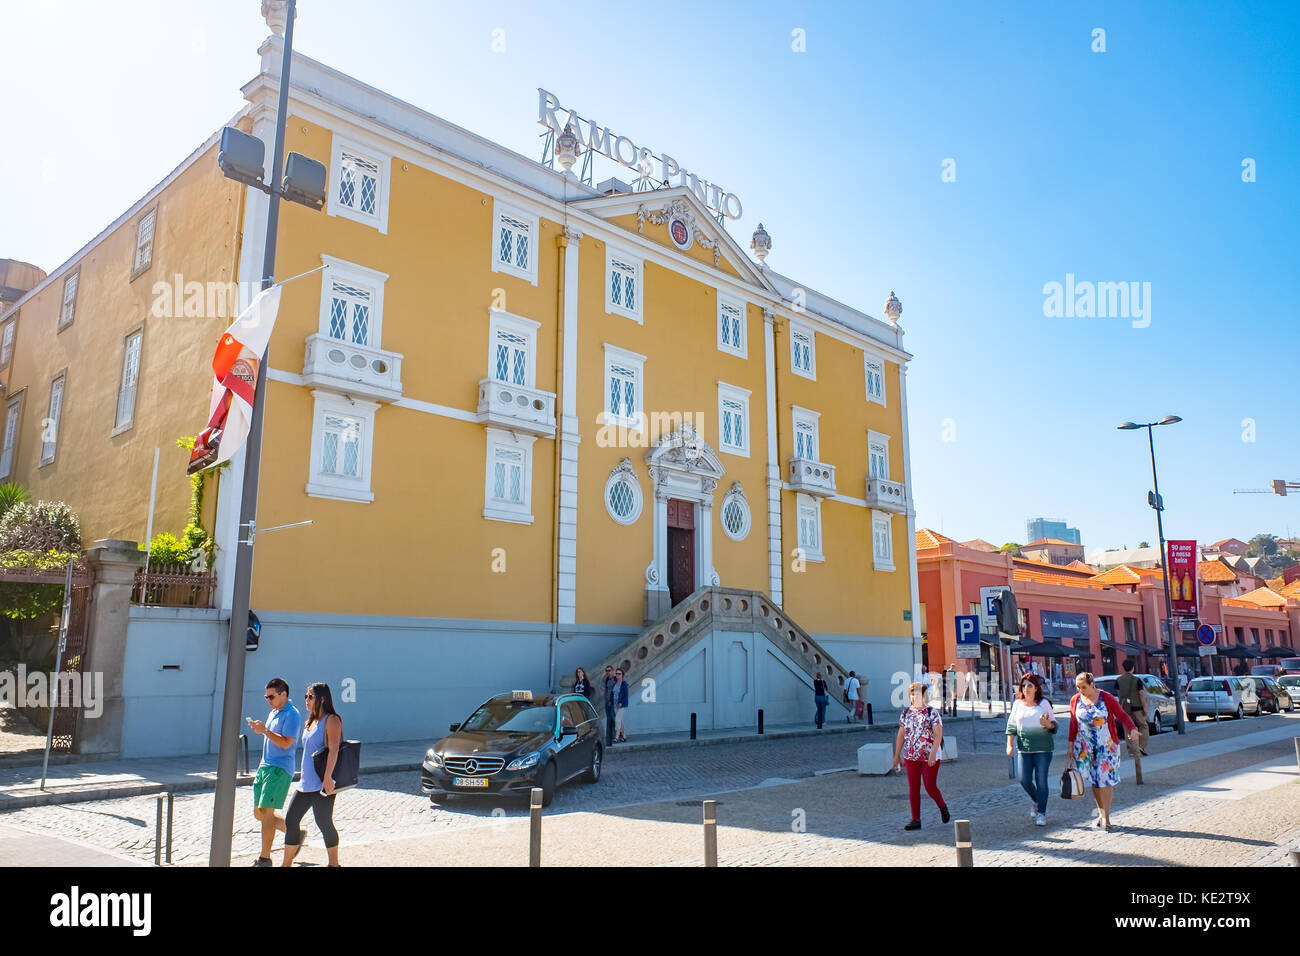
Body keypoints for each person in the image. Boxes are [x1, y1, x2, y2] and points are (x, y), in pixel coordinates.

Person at [281, 682, 343, 867]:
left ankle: (334, 863)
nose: (306, 700)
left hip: (322, 782)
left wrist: (327, 777)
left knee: (324, 823)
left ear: (322, 699)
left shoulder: (332, 719)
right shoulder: (311, 720)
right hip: (306, 782)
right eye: (305, 696)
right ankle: (286, 864)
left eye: (310, 697)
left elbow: (334, 750)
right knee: (291, 820)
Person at [1067, 672, 1139, 832]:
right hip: (1085, 748)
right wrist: (1070, 745)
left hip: (1106, 746)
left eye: (1083, 687)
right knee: (1094, 781)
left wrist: (1132, 728)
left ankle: (1106, 818)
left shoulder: (1106, 698)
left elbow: (1121, 715)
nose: (1080, 690)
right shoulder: (1075, 700)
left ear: (1092, 684)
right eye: (1078, 687)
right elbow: (1073, 723)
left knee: (1105, 781)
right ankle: (1100, 813)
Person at [247, 677, 303, 867]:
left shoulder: (292, 715)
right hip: (265, 766)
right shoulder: (274, 712)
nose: (268, 700)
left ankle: (264, 858)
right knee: (259, 813)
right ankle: (295, 832)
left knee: (267, 814)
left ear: (283, 694)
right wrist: (260, 729)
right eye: (266, 697)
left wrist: (265, 731)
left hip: (279, 769)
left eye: (271, 696)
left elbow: (287, 743)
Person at [892, 682, 949, 830]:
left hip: (929, 755)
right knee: (914, 787)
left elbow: (938, 735)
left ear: (924, 696)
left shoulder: (932, 713)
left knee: (930, 786)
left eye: (917, 694)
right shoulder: (906, 713)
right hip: (911, 756)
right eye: (912, 694)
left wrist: (932, 754)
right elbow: (901, 735)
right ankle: (915, 819)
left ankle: (942, 806)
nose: (914, 697)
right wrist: (897, 755)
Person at [1006, 674, 1057, 826]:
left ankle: (1041, 813)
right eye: (1024, 685)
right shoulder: (1017, 705)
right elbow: (1012, 726)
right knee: (1024, 779)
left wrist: (1048, 724)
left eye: (1030, 685)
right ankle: (1036, 800)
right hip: (1024, 748)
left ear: (1036, 688)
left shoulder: (1044, 704)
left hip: (1043, 749)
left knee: (1041, 781)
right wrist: (1009, 745)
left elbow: (1054, 726)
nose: (1026, 688)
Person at [1114, 659, 1149, 757]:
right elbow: (1141, 694)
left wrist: (1120, 707)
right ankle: (1141, 746)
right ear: (1133, 668)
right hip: (1137, 707)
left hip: (1125, 707)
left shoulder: (1119, 680)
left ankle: (1131, 750)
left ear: (1123, 668)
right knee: (1143, 725)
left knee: (1127, 728)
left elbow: (1119, 695)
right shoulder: (1137, 680)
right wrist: (1145, 708)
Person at [611, 668, 629, 743]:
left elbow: (626, 695)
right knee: (620, 721)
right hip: (615, 704)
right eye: (617, 673)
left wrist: (621, 702)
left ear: (622, 675)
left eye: (619, 674)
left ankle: (617, 736)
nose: (618, 675)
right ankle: (624, 736)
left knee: (617, 720)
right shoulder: (615, 683)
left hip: (622, 705)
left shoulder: (624, 684)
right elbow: (613, 693)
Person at [603, 664, 616, 746]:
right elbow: (606, 689)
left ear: (612, 671)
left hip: (613, 701)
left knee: (613, 718)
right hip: (607, 701)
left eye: (609, 670)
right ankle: (610, 735)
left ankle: (615, 735)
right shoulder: (607, 679)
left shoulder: (615, 679)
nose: (608, 672)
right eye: (606, 671)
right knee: (608, 718)